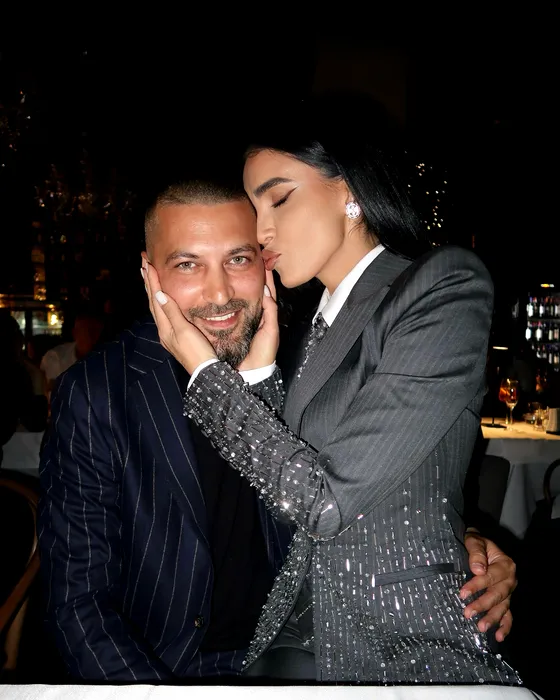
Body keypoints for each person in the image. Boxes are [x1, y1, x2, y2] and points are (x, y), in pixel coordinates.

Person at [39, 176, 514, 683]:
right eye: (188, 265)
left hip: (301, 662)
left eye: (238, 259)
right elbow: (78, 602)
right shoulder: (99, 390)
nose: (220, 293)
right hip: (156, 671)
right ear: (148, 272)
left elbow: (357, 489)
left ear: (265, 262)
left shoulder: (304, 367)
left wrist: (460, 538)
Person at [145, 95, 521, 684]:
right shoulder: (306, 322)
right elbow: (297, 469)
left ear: (348, 191)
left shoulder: (442, 284)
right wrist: (260, 381)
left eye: (279, 198)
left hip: (399, 635)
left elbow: (327, 502)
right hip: (296, 629)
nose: (261, 230)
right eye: (253, 207)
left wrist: (206, 372)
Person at [40, 308, 105, 395]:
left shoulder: (108, 360)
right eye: (87, 331)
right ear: (75, 333)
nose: (92, 336)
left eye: (96, 331)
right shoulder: (55, 357)